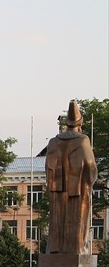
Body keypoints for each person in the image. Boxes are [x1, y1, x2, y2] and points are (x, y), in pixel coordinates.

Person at [44, 100, 97, 255]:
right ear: (79, 124)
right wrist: (91, 179)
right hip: (77, 190)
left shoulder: (53, 142)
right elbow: (89, 164)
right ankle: (76, 248)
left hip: (56, 189)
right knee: (77, 219)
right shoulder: (82, 140)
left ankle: (55, 249)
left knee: (57, 219)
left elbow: (48, 165)